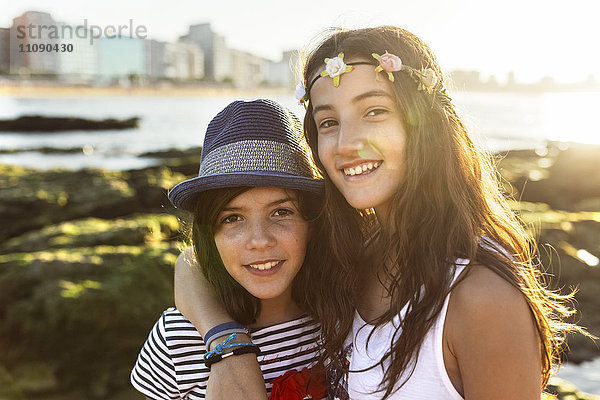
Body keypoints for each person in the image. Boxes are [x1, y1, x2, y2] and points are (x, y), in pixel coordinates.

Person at [174, 27, 585, 399]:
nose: (346, 143)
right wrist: (227, 341)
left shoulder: (480, 297)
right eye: (329, 122)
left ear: (424, 123)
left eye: (374, 111)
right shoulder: (352, 255)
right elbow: (198, 257)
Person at [130, 99, 329, 400]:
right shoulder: (177, 339)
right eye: (233, 218)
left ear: (311, 223)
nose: (260, 240)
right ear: (210, 235)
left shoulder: (338, 317)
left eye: (281, 212)